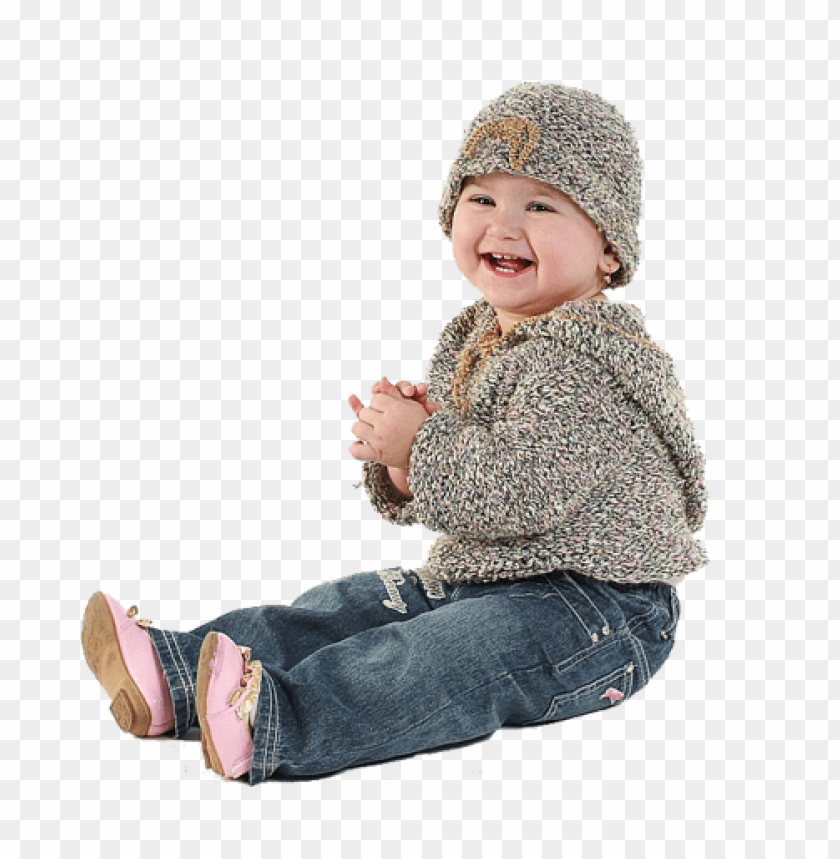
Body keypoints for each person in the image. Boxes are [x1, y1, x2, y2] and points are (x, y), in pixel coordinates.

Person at [82, 82, 708, 785]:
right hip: (485, 573)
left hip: (596, 611)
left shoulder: (586, 358)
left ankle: (279, 719)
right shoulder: (477, 334)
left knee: (441, 656)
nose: (503, 226)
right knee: (347, 606)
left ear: (609, 251)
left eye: (539, 204)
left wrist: (422, 445)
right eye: (481, 199)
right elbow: (465, 490)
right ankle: (174, 673)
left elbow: (522, 491)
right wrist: (403, 467)